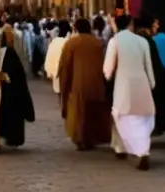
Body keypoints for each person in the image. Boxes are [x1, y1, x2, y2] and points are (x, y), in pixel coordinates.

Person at [105, 14, 156, 171]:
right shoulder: (142, 41)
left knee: (123, 116)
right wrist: (151, 83)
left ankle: (123, 148)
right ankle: (143, 151)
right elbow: (149, 65)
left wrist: (108, 77)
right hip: (142, 83)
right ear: (131, 24)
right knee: (142, 118)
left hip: (123, 84)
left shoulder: (115, 41)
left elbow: (108, 68)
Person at [58, 18, 111, 150]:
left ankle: (80, 139)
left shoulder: (71, 43)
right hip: (96, 83)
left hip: (78, 84)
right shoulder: (97, 43)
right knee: (93, 112)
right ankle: (92, 138)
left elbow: (65, 66)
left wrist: (65, 85)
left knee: (79, 113)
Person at [44, 20, 71, 93]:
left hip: (56, 71)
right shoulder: (70, 41)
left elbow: (49, 57)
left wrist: (49, 71)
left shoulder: (55, 42)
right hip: (69, 73)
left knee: (59, 91)